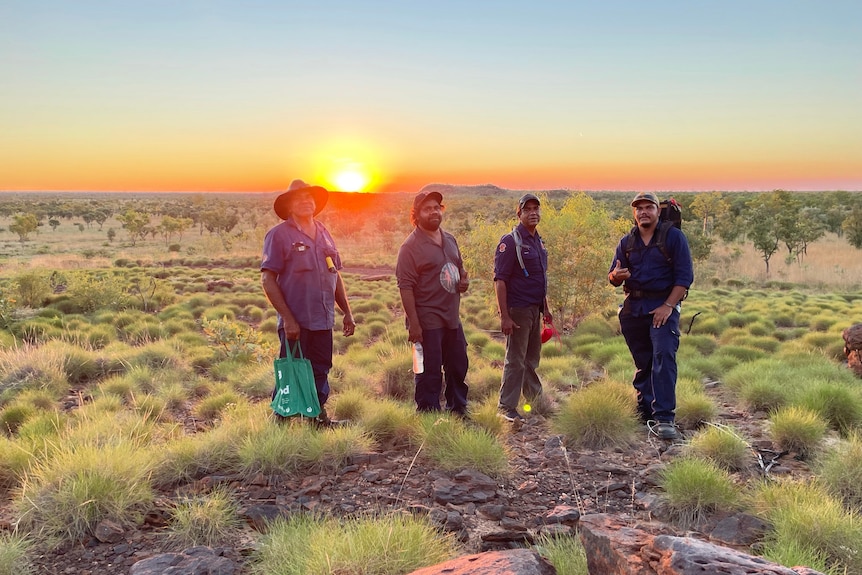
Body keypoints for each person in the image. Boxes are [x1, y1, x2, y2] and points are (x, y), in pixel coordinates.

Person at [261, 179, 356, 425]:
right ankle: (280, 420)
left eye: (309, 197)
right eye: (298, 198)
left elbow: (335, 274)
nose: (305, 201)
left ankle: (317, 418)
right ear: (289, 206)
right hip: (297, 322)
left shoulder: (324, 233)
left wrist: (347, 311)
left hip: (323, 318)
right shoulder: (279, 235)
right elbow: (267, 279)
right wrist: (289, 320)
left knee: (320, 368)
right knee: (292, 370)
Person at [608, 191, 693, 440]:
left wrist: (668, 306)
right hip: (634, 309)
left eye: (649, 207)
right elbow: (613, 276)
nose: (643, 212)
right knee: (643, 362)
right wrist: (616, 277)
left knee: (663, 357)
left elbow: (684, 278)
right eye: (639, 208)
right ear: (634, 213)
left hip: (663, 306)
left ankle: (665, 417)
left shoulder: (673, 238)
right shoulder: (627, 242)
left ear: (658, 211)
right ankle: (645, 411)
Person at [395, 190, 470, 416]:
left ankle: (458, 409)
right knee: (428, 371)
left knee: (458, 365)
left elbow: (459, 267)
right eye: (427, 209)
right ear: (416, 214)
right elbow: (405, 287)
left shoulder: (449, 239)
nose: (434, 212)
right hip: (426, 320)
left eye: (437, 207)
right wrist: (414, 325)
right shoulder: (410, 247)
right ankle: (428, 414)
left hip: (451, 317)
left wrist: (463, 280)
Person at [494, 193, 552, 423]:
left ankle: (534, 400)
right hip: (517, 310)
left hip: (534, 309)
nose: (533, 212)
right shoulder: (510, 241)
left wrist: (545, 308)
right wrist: (504, 316)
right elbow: (500, 280)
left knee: (531, 358)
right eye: (527, 209)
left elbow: (541, 278)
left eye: (536, 208)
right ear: (519, 213)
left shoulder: (538, 241)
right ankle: (506, 406)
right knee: (515, 359)